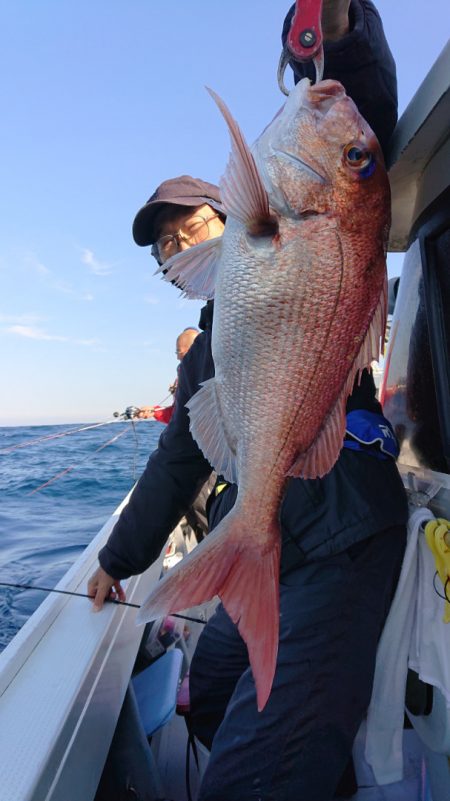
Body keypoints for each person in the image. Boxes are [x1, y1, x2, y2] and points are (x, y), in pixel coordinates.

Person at [88, 3, 408, 799]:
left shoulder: (309, 214)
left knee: (249, 780)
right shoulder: (216, 337)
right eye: (165, 246)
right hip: (278, 540)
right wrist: (117, 560)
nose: (177, 248)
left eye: (187, 227)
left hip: (342, 532)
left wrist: (336, 31)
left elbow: (358, 122)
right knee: (210, 688)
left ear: (232, 209)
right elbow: (179, 457)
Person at [136, 327, 200, 422]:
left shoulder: (209, 374)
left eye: (179, 352)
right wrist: (154, 412)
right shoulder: (183, 375)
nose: (177, 357)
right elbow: (178, 414)